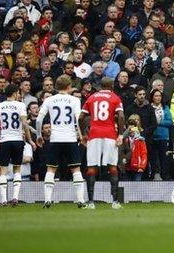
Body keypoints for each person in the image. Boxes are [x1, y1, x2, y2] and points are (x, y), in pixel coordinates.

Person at [36, 75, 86, 209]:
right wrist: (81, 135)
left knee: (51, 169)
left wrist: (39, 135)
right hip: (70, 138)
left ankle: (47, 199)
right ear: (69, 86)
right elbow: (78, 119)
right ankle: (80, 200)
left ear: (56, 87)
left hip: (55, 138)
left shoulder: (49, 100)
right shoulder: (75, 100)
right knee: (76, 168)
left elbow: (39, 119)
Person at [79, 77, 125, 210]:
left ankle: (91, 202)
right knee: (112, 167)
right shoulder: (115, 98)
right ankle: (115, 202)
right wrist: (120, 135)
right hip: (110, 134)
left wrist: (84, 135)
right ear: (111, 86)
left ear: (100, 86)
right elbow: (121, 116)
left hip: (94, 134)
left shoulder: (92, 97)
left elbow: (81, 117)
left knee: (92, 167)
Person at [0, 84, 36, 206]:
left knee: (3, 170)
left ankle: (3, 199)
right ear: (14, 93)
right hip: (17, 139)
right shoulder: (20, 105)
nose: (19, 94)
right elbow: (24, 123)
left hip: (4, 139)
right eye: (18, 92)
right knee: (17, 168)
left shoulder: (0, 106)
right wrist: (30, 140)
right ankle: (15, 197)